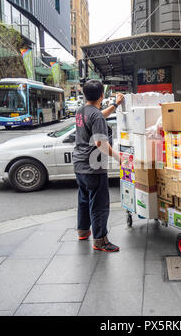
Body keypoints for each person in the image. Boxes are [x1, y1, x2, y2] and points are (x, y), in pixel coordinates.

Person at [72, 80, 124, 252]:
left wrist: (116, 105)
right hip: (94, 166)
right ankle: (101, 240)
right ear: (101, 95)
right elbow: (100, 143)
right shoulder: (96, 115)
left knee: (84, 199)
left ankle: (83, 231)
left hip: (79, 164)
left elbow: (99, 116)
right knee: (100, 204)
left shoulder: (81, 111)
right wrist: (118, 158)